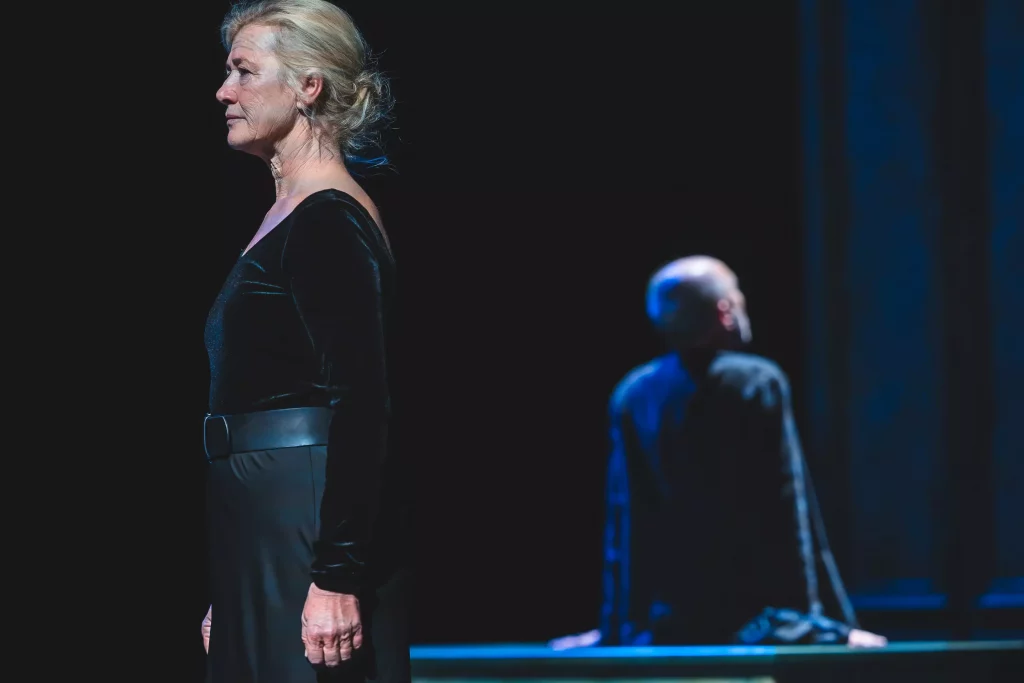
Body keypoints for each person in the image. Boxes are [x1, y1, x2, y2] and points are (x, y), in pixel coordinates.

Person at [201, 2, 411, 681]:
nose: (224, 91)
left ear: (308, 87)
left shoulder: (329, 219)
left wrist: (336, 576)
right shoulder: (290, 213)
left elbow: (363, 401)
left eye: (243, 71)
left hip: (304, 512)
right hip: (265, 512)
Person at [549, 256, 886, 650]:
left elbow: (626, 524)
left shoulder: (635, 393)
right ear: (725, 311)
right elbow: (786, 509)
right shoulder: (755, 383)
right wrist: (813, 628)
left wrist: (616, 629)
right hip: (754, 624)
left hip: (666, 628)